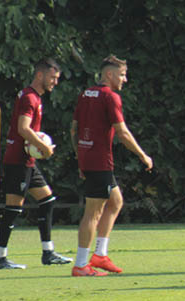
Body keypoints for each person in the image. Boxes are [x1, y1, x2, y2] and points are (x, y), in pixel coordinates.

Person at [70, 55, 153, 276]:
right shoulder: (110, 97)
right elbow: (123, 132)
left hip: (89, 159)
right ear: (109, 74)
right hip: (99, 161)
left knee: (115, 201)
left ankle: (100, 256)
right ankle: (80, 265)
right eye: (122, 74)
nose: (125, 79)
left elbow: (73, 129)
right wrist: (143, 155)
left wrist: (81, 158)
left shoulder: (86, 94)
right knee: (92, 214)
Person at [0, 58, 72, 270]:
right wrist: (44, 147)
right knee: (13, 208)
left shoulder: (34, 97)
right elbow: (23, 128)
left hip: (27, 161)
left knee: (47, 200)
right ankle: (0, 258)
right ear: (40, 75)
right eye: (53, 77)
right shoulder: (30, 97)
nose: (55, 82)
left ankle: (48, 253)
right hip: (18, 161)